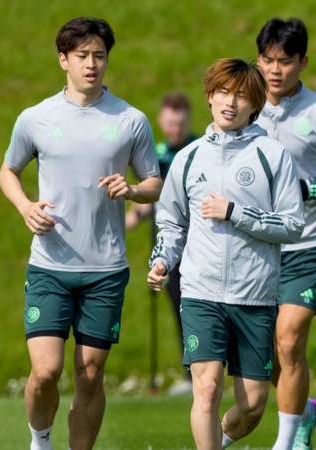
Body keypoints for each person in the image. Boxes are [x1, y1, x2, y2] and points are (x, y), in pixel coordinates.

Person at [0, 17, 162, 450]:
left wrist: (132, 190)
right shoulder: (36, 118)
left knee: (90, 374)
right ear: (63, 60)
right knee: (46, 372)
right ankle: (40, 439)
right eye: (83, 56)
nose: (92, 64)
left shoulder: (131, 120)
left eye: (100, 56)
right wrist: (25, 207)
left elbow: (154, 182)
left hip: (106, 269)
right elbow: (8, 171)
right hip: (51, 265)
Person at [147, 58, 305, 450]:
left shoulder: (273, 155)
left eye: (240, 96)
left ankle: (215, 442)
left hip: (254, 296)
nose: (230, 103)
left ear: (255, 105)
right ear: (209, 97)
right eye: (222, 93)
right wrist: (163, 260)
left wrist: (236, 213)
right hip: (200, 292)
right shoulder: (188, 158)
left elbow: (292, 224)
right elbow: (172, 223)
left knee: (252, 404)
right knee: (207, 388)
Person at [233, 17, 316, 450]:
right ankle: (305, 410)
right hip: (254, 248)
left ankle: (286, 442)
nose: (275, 70)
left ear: (303, 62)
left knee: (289, 338)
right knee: (268, 350)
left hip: (306, 245)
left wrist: (312, 189)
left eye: (286, 62)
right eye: (268, 61)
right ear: (258, 60)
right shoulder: (241, 110)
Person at [125, 92, 197, 395]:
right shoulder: (156, 155)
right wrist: (137, 211)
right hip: (169, 244)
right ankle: (192, 373)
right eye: (170, 123)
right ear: (161, 122)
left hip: (199, 241)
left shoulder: (198, 150)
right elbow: (151, 193)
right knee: (179, 304)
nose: (175, 129)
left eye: (180, 123)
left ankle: (203, 371)